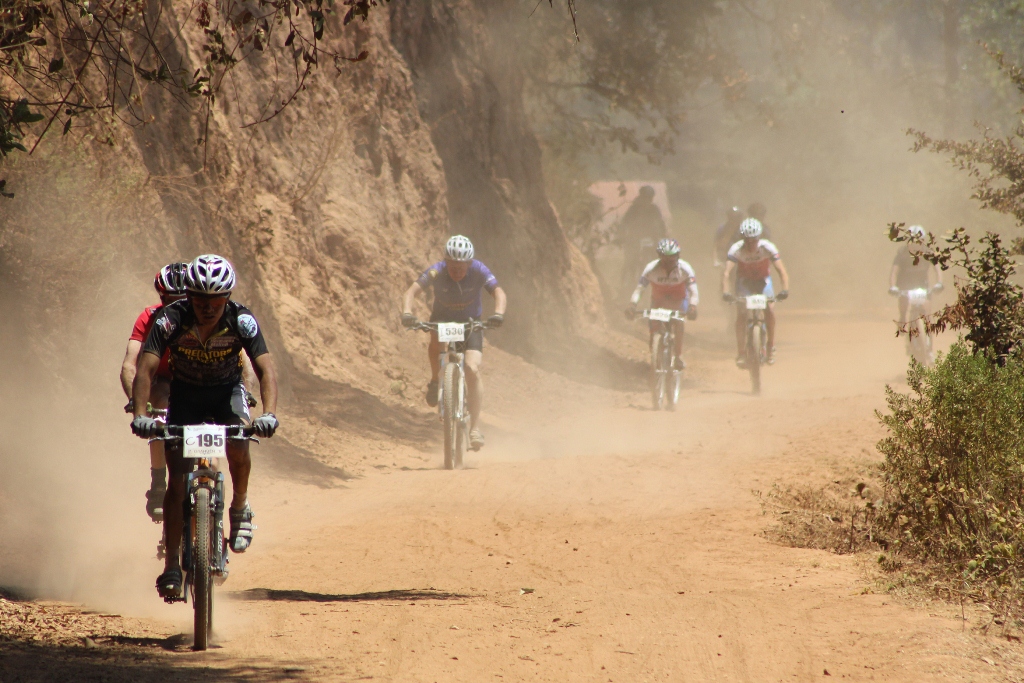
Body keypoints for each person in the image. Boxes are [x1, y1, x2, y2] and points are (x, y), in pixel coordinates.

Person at [130, 254, 280, 600]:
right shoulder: (170, 320)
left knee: (239, 444)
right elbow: (145, 369)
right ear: (189, 297)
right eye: (200, 300)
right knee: (178, 481)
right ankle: (170, 565)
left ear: (226, 298)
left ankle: (240, 507)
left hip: (227, 393)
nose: (208, 307)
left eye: (215, 300)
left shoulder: (242, 320)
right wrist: (141, 414)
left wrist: (269, 413)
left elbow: (266, 369)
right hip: (186, 397)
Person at [401, 235, 507, 451]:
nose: (456, 271)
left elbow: (498, 292)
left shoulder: (479, 269)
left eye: (461, 267)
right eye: (452, 267)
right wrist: (406, 312)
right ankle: (434, 381)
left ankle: (475, 428)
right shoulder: (436, 271)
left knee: (471, 368)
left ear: (469, 264)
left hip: (471, 324)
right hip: (443, 320)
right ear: (446, 262)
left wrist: (498, 313)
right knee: (435, 337)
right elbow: (412, 291)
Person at [120, 262, 188, 523]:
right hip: (162, 380)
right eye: (172, 300)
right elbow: (129, 364)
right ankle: (159, 481)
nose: (179, 305)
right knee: (159, 405)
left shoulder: (206, 316)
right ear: (162, 298)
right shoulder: (148, 318)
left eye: (185, 299)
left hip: (197, 379)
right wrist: (135, 403)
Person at [721, 218, 790, 366]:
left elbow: (781, 270)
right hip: (744, 283)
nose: (750, 244)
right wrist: (725, 292)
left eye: (753, 240)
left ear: (758, 238)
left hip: (763, 282)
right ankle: (740, 353)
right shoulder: (736, 249)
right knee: (741, 314)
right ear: (742, 239)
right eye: (747, 240)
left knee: (770, 309)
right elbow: (726, 273)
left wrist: (785, 289)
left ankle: (771, 346)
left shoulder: (768, 247)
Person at [626, 238, 699, 369]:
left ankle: (677, 356)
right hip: (658, 301)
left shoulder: (685, 268)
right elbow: (639, 289)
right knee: (654, 330)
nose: (668, 263)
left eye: (672, 259)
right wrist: (632, 305)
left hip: (679, 300)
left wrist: (692, 307)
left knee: (678, 323)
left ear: (678, 256)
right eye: (664, 259)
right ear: (659, 257)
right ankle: (656, 357)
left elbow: (693, 291)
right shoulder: (650, 268)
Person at [617, 186, 668, 296]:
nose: (647, 200)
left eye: (649, 198)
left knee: (658, 261)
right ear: (641, 196)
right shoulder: (633, 209)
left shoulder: (654, 209)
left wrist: (664, 236)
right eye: (645, 197)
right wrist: (621, 236)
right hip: (633, 240)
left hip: (651, 240)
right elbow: (624, 223)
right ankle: (626, 284)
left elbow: (661, 224)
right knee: (629, 261)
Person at [889, 225, 943, 324]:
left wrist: (939, 283)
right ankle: (903, 317)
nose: (915, 244)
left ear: (922, 241)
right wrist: (893, 287)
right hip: (904, 282)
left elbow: (937, 268)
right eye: (912, 241)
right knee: (903, 299)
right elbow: (894, 272)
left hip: (922, 282)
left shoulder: (928, 252)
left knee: (927, 307)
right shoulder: (902, 253)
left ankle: (927, 329)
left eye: (918, 241)